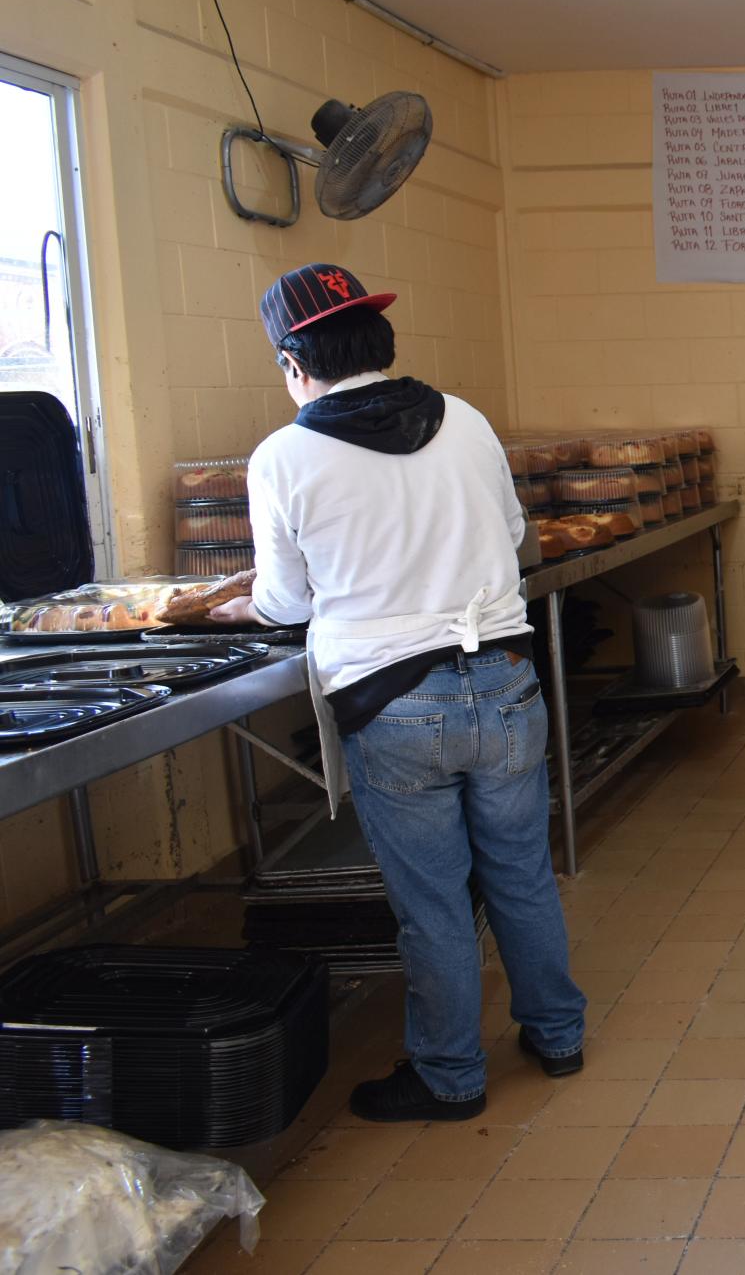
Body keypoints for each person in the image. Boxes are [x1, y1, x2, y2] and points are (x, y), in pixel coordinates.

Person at [211, 262, 586, 1122]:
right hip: (506, 682)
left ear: (293, 362)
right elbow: (515, 535)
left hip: (395, 704)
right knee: (522, 874)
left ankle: (451, 1075)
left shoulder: (283, 456)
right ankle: (558, 1035)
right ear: (378, 339)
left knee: (434, 901)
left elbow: (287, 602)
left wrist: (242, 604)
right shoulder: (467, 419)